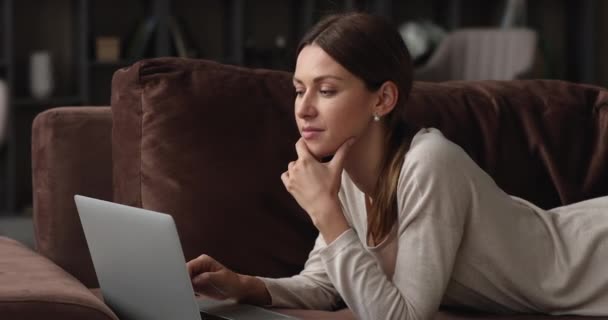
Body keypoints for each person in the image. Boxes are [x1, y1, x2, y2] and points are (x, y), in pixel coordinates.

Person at [187, 12, 608, 319]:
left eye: (327, 90)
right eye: (299, 91)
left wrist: (326, 213)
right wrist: (246, 286)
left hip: (594, 263)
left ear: (383, 100)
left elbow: (403, 318)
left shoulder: (429, 164)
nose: (305, 109)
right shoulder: (348, 172)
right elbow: (322, 284)